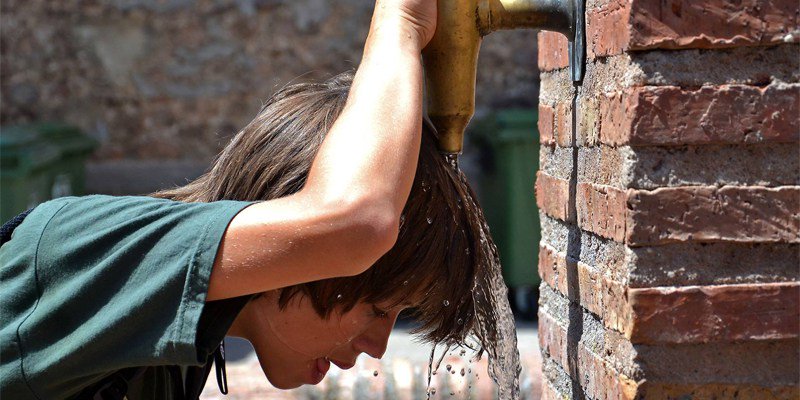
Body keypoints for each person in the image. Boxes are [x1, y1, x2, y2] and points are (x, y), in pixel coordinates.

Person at [0, 0, 492, 398]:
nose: (379, 346)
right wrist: (400, 22)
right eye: (377, 308)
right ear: (292, 214)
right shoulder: (74, 251)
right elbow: (358, 221)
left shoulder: (173, 345)